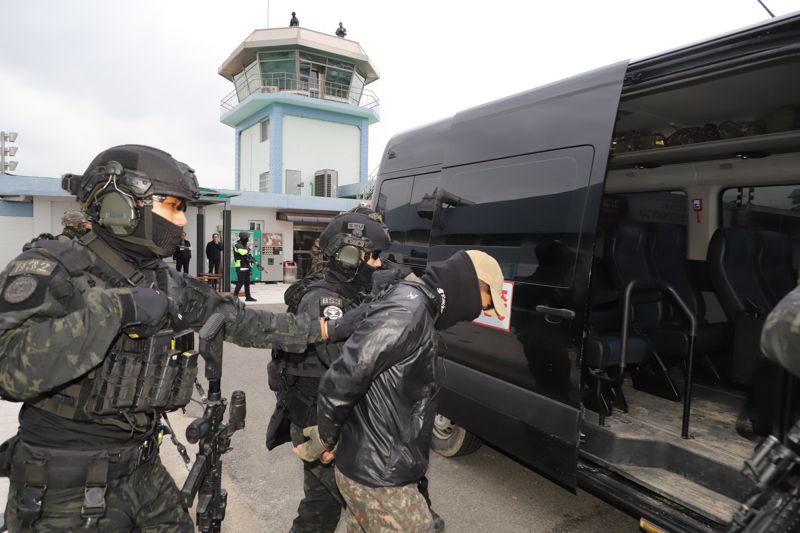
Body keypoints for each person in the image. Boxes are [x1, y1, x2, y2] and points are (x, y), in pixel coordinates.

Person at [0, 144, 356, 532]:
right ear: (121, 206)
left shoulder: (162, 279)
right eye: (172, 206)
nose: (183, 221)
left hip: (141, 465)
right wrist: (117, 311)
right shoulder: (51, 269)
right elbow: (8, 370)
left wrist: (326, 328)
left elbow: (237, 319)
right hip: (62, 483)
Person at [299, 249, 507, 532]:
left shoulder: (415, 304)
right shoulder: (409, 312)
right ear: (473, 285)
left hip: (372, 468)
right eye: (484, 303)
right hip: (379, 478)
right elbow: (346, 374)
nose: (478, 313)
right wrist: (327, 436)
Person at [268, 211, 390, 533]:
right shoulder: (324, 299)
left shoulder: (350, 294)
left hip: (332, 419)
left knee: (321, 508)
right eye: (374, 257)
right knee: (340, 508)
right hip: (319, 422)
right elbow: (346, 363)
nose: (379, 265)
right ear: (350, 255)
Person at [233, 231, 257, 302]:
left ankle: (248, 297)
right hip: (240, 266)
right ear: (243, 238)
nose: (248, 239)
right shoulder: (237, 245)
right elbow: (243, 252)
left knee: (247, 282)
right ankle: (235, 297)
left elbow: (249, 256)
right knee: (240, 282)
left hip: (246, 266)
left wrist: (255, 262)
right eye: (247, 237)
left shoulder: (245, 246)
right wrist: (248, 249)